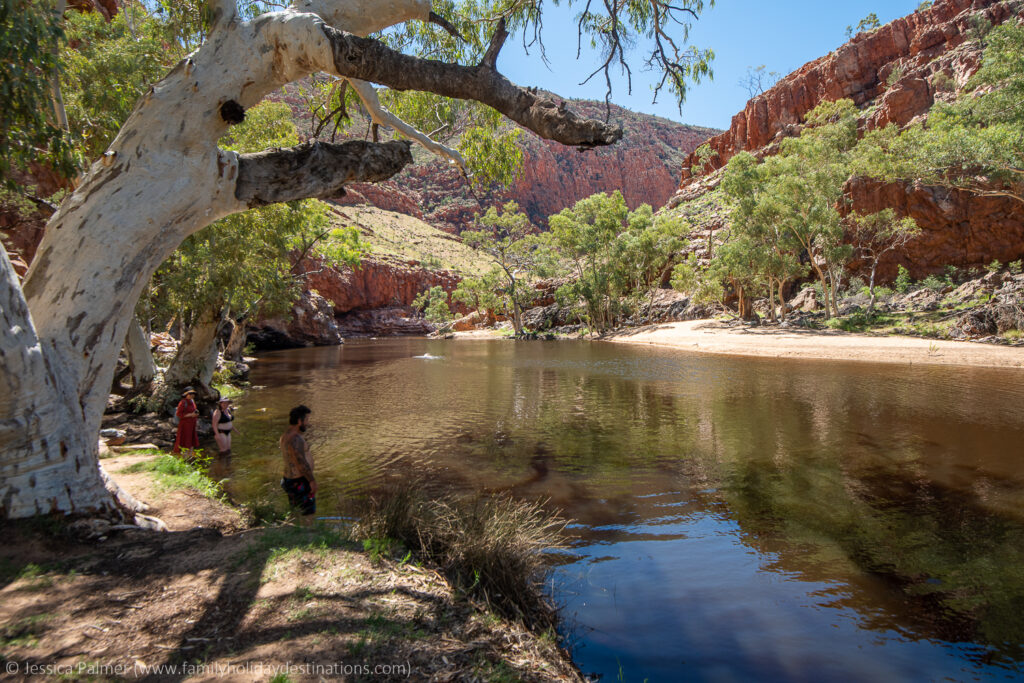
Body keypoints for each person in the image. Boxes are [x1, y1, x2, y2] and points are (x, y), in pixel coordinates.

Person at [280, 405, 316, 519]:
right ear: (300, 421)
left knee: (295, 512)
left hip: (290, 480)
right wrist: (312, 481)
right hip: (300, 481)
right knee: (308, 514)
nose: (308, 423)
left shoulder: (285, 436)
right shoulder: (296, 439)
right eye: (306, 420)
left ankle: (296, 533)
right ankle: (309, 534)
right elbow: (301, 462)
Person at [172, 387, 200, 457]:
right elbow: (179, 414)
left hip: (192, 424)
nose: (192, 395)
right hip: (185, 425)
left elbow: (194, 410)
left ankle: (190, 456)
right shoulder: (183, 402)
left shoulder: (192, 401)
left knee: (191, 440)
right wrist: (191, 415)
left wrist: (196, 414)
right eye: (190, 394)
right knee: (185, 440)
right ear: (186, 394)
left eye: (193, 394)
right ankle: (184, 456)